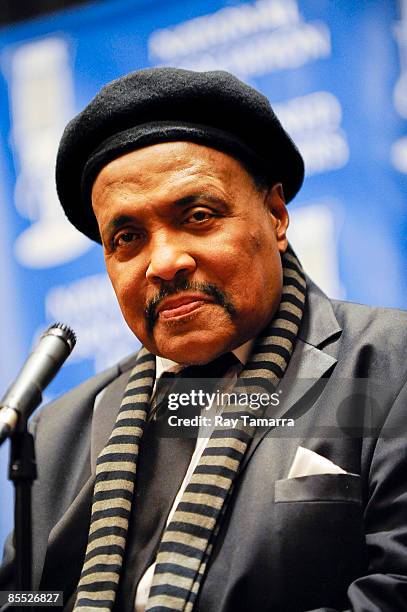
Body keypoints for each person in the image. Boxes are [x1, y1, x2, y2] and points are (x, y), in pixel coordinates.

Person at [1, 67, 407, 612]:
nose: (165, 262)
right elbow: (29, 600)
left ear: (277, 215)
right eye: (128, 238)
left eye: (198, 216)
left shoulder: (386, 366)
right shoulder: (59, 432)